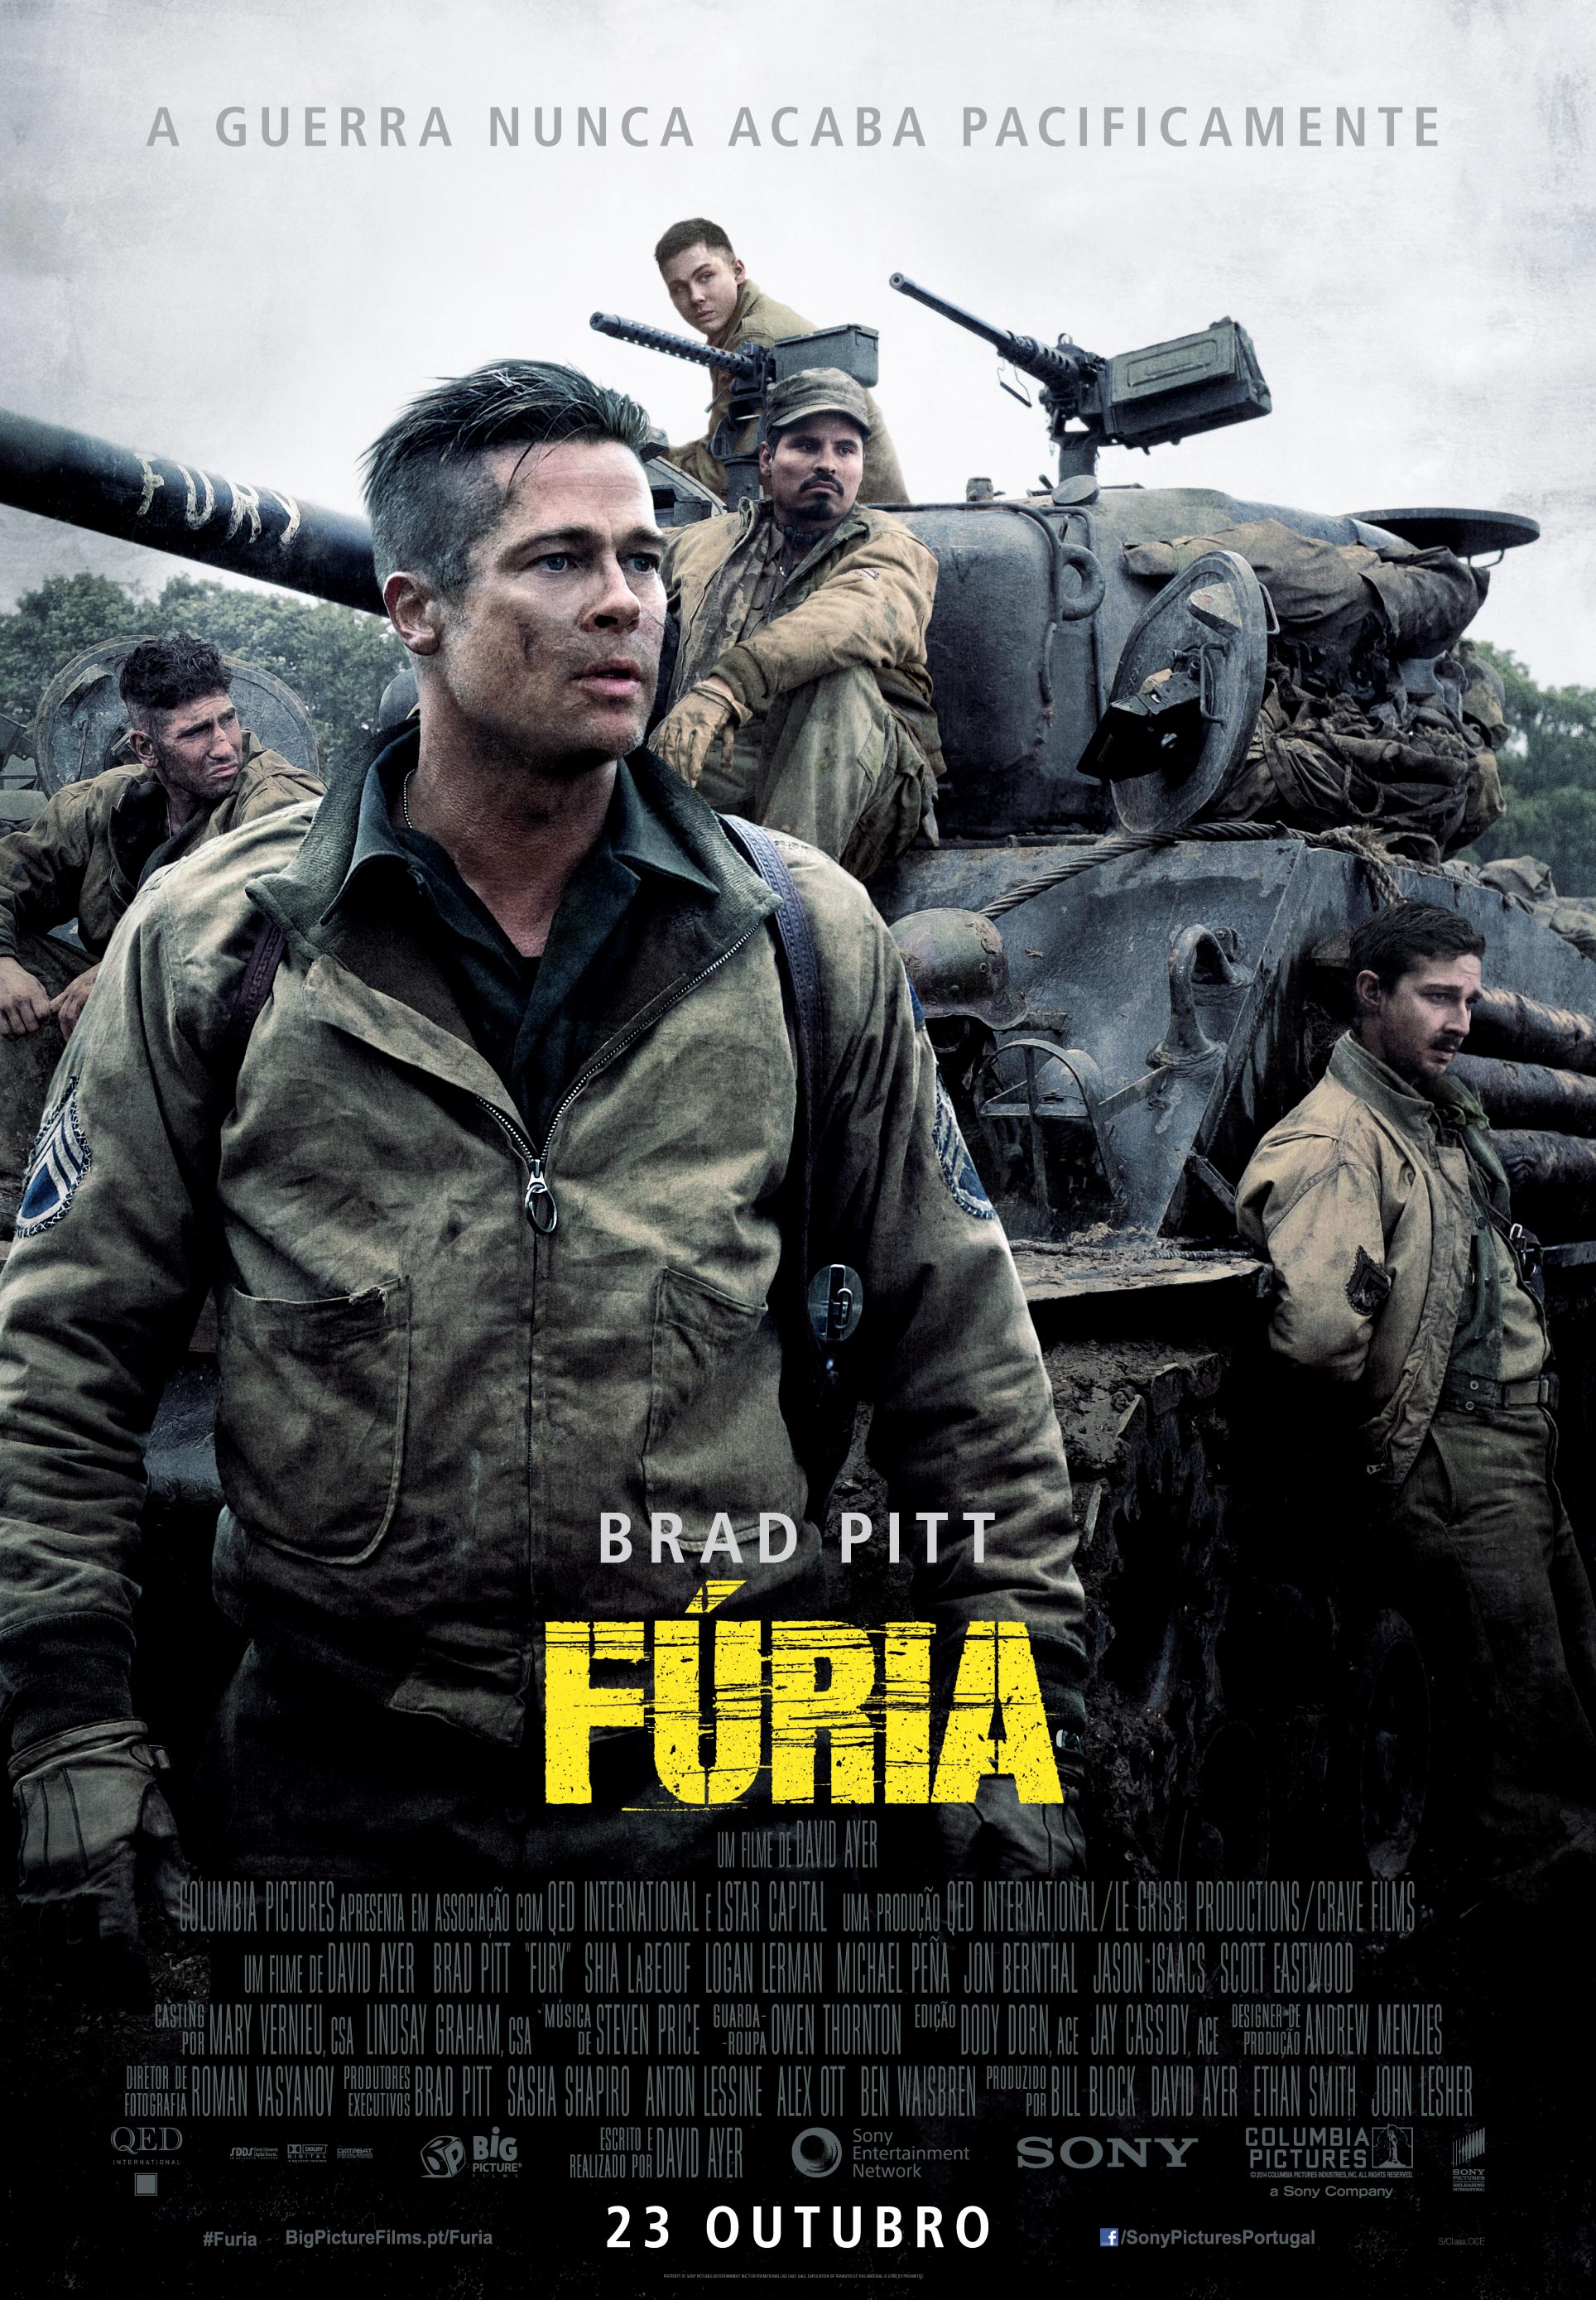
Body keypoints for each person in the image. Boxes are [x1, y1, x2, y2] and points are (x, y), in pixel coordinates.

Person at [0, 359, 1085, 1933]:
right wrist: (68, 1728)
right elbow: (62, 1356)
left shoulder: (800, 932)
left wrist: (1013, 1705)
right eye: (560, 559)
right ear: (415, 609)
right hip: (340, 1770)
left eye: (643, 558)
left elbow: (960, 1348)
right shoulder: (223, 941)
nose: (626, 600)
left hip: (726, 1759)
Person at [1237, 898, 1596, 1893]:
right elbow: (1317, 1342)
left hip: (1514, 1445)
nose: (1459, 1022)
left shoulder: (1424, 1112)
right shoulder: (1335, 1142)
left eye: (1468, 1000)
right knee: (1528, 1745)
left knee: (1567, 1683)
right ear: (1369, 993)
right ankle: (1536, 1934)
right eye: (1436, 997)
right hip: (1456, 1461)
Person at [0, 635, 322, 1225]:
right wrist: (2, 962)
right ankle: (20, 1189)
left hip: (237, 1032)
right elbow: (9, 877)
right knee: (13, 961)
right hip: (122, 1022)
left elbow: (268, 925)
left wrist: (120, 973)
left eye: (228, 720)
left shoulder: (277, 800)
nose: (224, 745)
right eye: (196, 732)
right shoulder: (105, 803)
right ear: (146, 747)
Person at [653, 368, 944, 877]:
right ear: (767, 459)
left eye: (845, 450)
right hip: (727, 756)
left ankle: (789, 900)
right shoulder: (703, 544)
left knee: (838, 680)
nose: (827, 463)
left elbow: (852, 616)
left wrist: (727, 685)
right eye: (807, 445)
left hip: (862, 777)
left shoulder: (893, 547)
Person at [655, 215, 909, 505]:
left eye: (705, 277)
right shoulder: (735, 329)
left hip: (857, 510)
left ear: (737, 271)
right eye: (679, 288)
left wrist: (650, 459)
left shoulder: (755, 338)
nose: (695, 296)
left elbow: (726, 467)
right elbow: (722, 444)